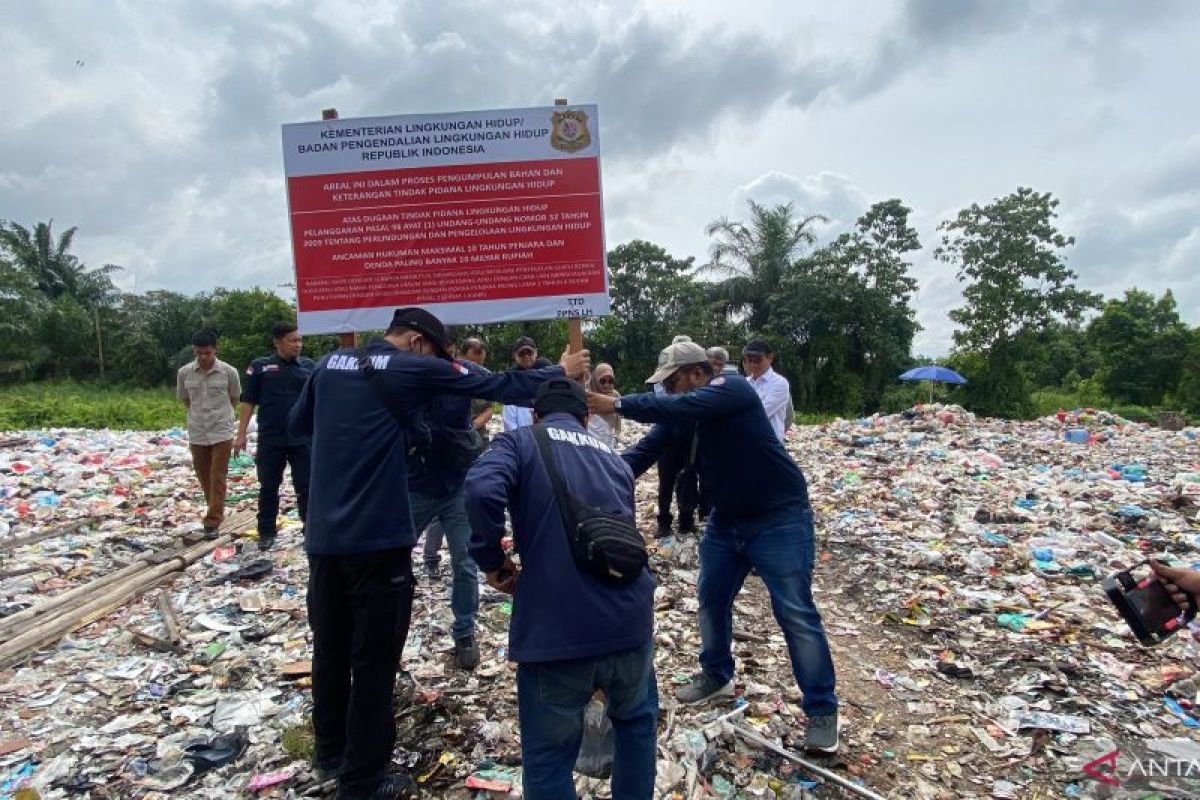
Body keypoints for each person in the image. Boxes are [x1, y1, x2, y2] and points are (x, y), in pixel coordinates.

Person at [288, 308, 589, 799]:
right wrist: (561, 371)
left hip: (323, 538)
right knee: (373, 659)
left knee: (331, 647)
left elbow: (300, 425)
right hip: (378, 539)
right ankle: (362, 779)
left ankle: (330, 752)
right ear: (420, 343)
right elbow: (501, 385)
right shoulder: (412, 365)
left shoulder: (327, 364)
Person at [588, 340, 840, 753]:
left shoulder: (733, 389)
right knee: (710, 597)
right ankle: (716, 673)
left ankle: (822, 710)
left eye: (671, 382)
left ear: (697, 373)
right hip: (726, 520)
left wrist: (612, 404)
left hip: (778, 516)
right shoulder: (682, 413)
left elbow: (676, 409)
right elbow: (641, 454)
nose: (666, 392)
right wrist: (587, 478)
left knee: (794, 612)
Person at [466, 379, 657, 799]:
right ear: (586, 417)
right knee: (636, 729)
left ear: (536, 413)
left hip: (557, 630)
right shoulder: (614, 458)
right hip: (629, 620)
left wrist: (492, 562)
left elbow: (481, 489)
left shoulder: (520, 441)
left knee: (550, 754)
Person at [408, 343, 493, 670]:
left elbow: (501, 385)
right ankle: (387, 629)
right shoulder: (407, 376)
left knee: (465, 561)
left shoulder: (463, 374)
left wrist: (557, 372)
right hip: (415, 485)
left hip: (456, 484)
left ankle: (465, 632)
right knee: (392, 560)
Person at [233, 322, 315, 551]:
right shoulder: (260, 367)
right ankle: (266, 532)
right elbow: (248, 401)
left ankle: (311, 531)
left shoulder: (309, 367)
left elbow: (319, 400)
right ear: (277, 342)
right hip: (271, 438)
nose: (298, 345)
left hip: (302, 439)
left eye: (300, 340)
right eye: (292, 340)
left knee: (307, 487)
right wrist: (240, 435)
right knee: (268, 487)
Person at [422, 336, 493, 578]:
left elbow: (488, 406)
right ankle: (431, 558)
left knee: (462, 511)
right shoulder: (422, 374)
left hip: (464, 455)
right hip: (427, 464)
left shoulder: (470, 373)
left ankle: (465, 613)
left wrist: (470, 431)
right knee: (435, 514)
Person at [176, 329, 241, 537]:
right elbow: (186, 399)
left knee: (217, 474)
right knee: (204, 475)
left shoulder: (229, 372)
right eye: (199, 353)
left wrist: (222, 416)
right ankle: (214, 508)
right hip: (197, 429)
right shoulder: (184, 373)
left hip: (222, 429)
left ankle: (212, 521)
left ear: (215, 350)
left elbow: (234, 398)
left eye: (207, 353)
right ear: (194, 351)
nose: (203, 357)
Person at [741, 340, 791, 442]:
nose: (754, 365)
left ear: (770, 358)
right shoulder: (745, 382)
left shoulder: (779, 383)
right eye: (750, 360)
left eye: (758, 360)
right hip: (747, 441)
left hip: (769, 443)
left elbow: (760, 413)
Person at [502, 336, 551, 431]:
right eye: (522, 353)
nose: (526, 356)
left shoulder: (547, 369)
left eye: (530, 352)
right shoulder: (511, 378)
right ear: (515, 356)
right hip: (521, 426)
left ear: (536, 353)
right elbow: (509, 422)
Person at [586, 363, 621, 449]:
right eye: (602, 381)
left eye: (610, 381)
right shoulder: (588, 397)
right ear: (595, 380)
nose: (606, 385)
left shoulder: (616, 397)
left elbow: (616, 427)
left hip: (608, 443)